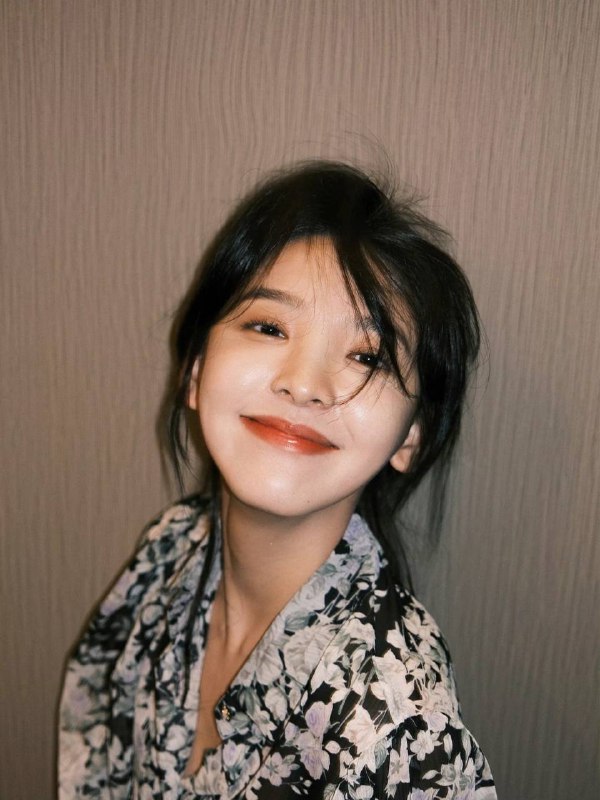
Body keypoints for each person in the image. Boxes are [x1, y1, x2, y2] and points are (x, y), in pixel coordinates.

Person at [59, 161, 497, 799]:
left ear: (411, 435)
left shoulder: (394, 719)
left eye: (366, 356)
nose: (304, 384)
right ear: (195, 371)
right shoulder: (169, 551)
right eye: (268, 327)